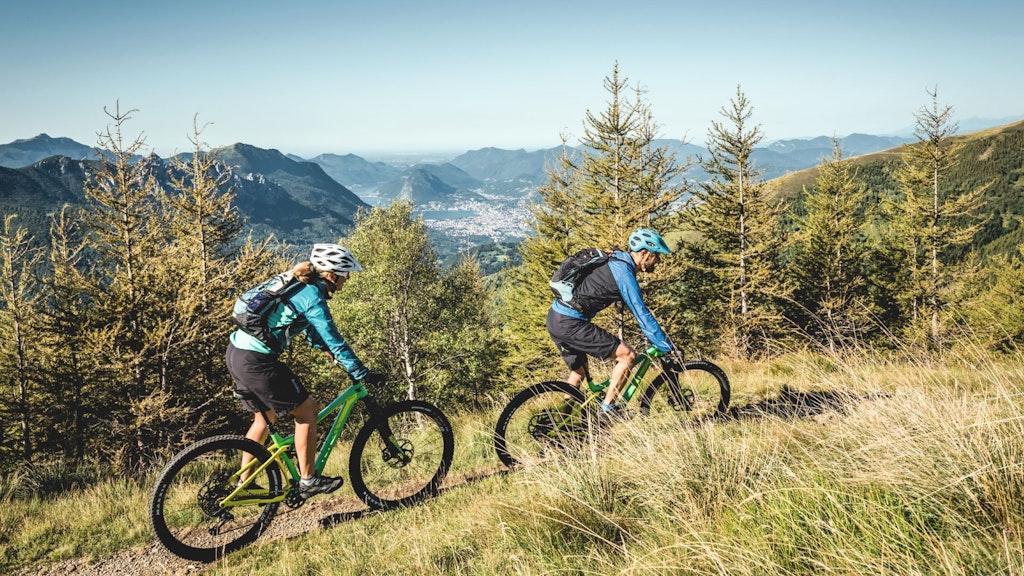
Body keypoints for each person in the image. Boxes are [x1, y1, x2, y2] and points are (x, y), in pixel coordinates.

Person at [225, 243, 382, 498]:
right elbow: (332, 335)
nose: (347, 279)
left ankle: (244, 484)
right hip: (257, 361)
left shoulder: (297, 286)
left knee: (264, 418)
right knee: (307, 410)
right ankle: (308, 480)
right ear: (331, 275)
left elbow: (306, 326)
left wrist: (323, 348)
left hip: (236, 352)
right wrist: (360, 371)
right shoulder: (312, 295)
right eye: (345, 274)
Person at [546, 228, 675, 417]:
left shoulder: (616, 258)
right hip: (570, 323)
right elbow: (641, 313)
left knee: (578, 373)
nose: (658, 261)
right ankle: (608, 409)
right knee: (628, 356)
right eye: (656, 256)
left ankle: (562, 422)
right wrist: (664, 344)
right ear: (644, 253)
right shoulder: (624, 274)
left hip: (556, 317)